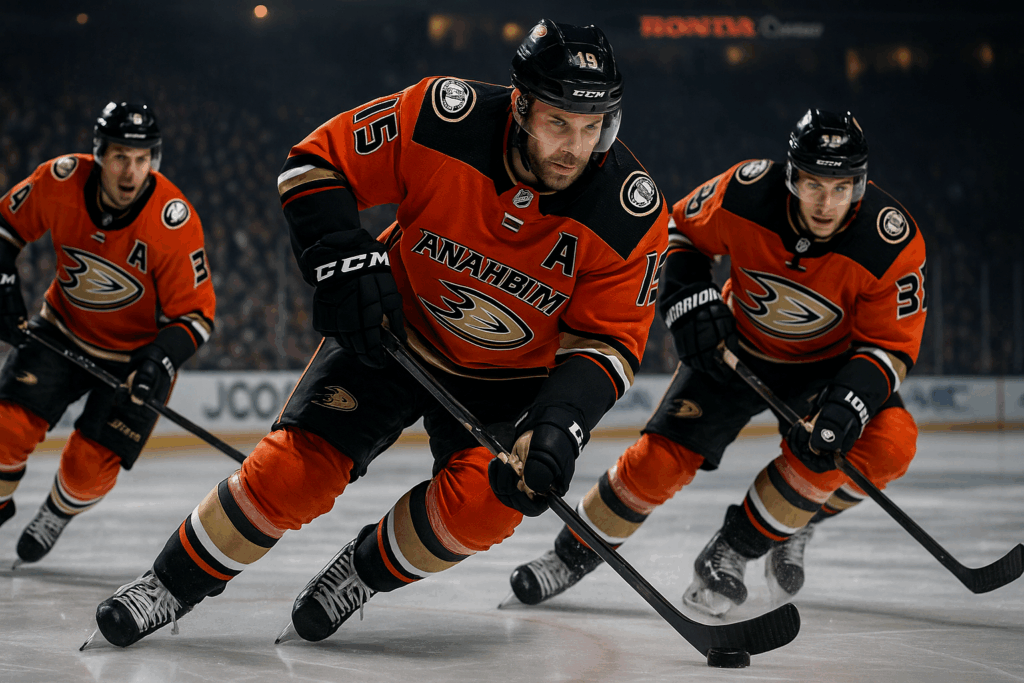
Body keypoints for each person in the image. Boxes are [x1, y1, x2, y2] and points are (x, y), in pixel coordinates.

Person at [87, 19, 668, 648]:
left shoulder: (630, 211)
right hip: (391, 331)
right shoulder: (442, 117)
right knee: (292, 475)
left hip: (510, 379)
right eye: (559, 123)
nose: (575, 148)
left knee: (488, 505)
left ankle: (361, 573)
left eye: (593, 126)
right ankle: (167, 585)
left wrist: (560, 422)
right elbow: (314, 164)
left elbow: (610, 342)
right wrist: (344, 260)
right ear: (521, 104)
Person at [505, 109, 926, 617]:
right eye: (813, 184)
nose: (825, 203)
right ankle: (569, 556)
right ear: (791, 175)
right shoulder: (746, 191)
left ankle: (744, 545)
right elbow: (678, 230)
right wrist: (687, 296)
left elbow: (890, 346)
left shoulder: (889, 241)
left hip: (828, 369)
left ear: (860, 184)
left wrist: (848, 403)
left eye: (841, 188)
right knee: (658, 463)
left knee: (888, 443)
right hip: (733, 349)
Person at [0, 102, 216, 566]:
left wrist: (159, 359)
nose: (131, 171)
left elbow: (197, 316)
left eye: (142, 159)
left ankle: (58, 511)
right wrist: (2, 283)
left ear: (154, 159)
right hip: (61, 330)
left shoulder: (173, 221)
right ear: (99, 153)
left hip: (133, 358)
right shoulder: (60, 179)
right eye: (120, 157)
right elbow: (4, 228)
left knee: (87, 469)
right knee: (5, 429)